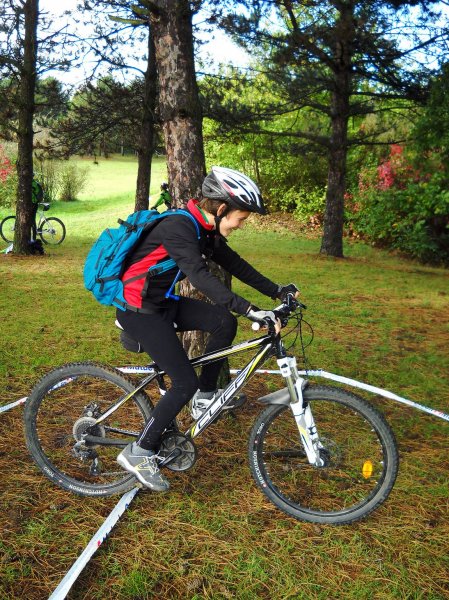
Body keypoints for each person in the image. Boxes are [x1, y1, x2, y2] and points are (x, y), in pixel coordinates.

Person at [116, 166, 299, 491]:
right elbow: (200, 277)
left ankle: (206, 396)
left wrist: (276, 291)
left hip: (162, 304)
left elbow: (235, 264)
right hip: (138, 311)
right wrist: (250, 311)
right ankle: (139, 450)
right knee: (182, 381)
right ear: (222, 209)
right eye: (240, 218)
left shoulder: (203, 230)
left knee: (222, 321)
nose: (240, 225)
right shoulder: (178, 227)